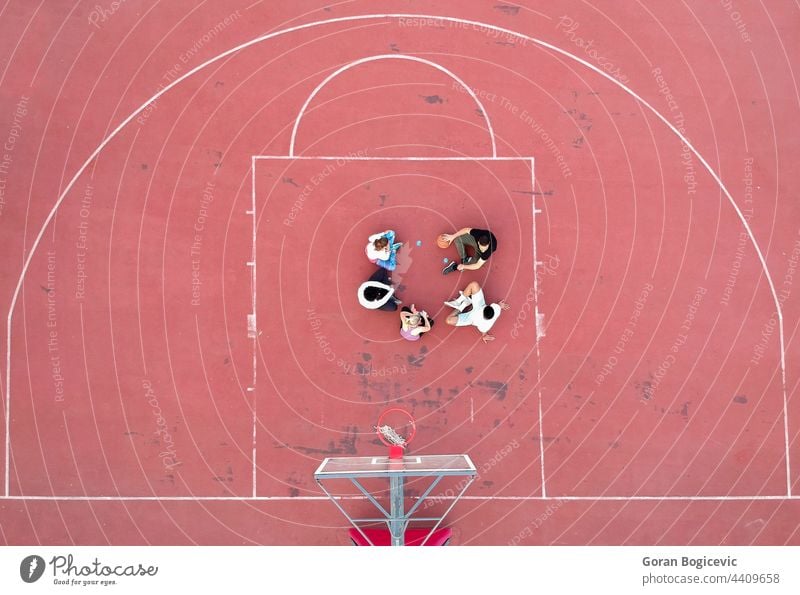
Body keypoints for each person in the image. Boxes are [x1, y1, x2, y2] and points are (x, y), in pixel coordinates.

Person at [444, 281, 509, 342]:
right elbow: (498, 306)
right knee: (474, 284)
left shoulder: (486, 325)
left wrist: (484, 336)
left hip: (470, 318)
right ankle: (458, 302)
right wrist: (500, 305)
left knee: (449, 320)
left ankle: (463, 305)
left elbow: (484, 332)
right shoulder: (496, 309)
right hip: (480, 305)